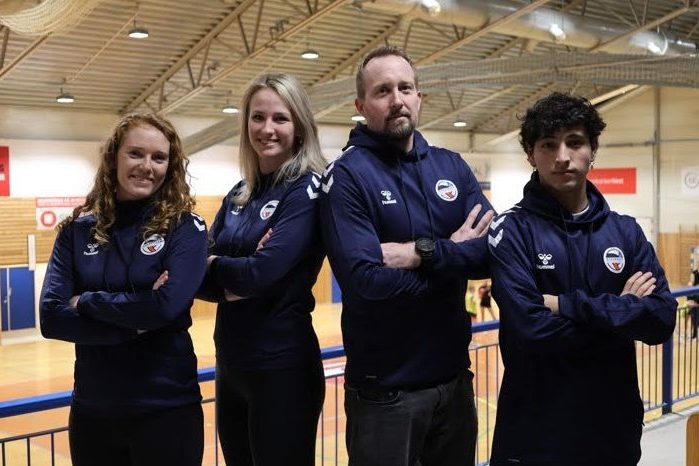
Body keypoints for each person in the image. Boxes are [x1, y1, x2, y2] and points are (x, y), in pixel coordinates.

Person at [319, 45, 494, 466]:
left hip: (454, 382)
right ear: (362, 105)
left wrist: (423, 252)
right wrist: (455, 257)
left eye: (405, 88)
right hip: (387, 394)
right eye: (382, 91)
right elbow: (366, 281)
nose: (396, 99)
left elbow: (491, 254)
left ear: (419, 97)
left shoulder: (451, 166)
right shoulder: (346, 176)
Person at [487, 92, 677, 466]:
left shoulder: (626, 232)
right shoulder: (510, 231)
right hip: (535, 438)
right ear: (530, 154)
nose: (562, 156)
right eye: (548, 145)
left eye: (574, 142)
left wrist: (566, 306)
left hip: (612, 434)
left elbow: (661, 321)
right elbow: (533, 333)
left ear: (593, 148)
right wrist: (623, 312)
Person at [40, 113, 208, 466]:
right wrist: (135, 323)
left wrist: (85, 301)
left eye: (158, 157)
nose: (146, 166)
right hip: (93, 410)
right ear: (114, 156)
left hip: (167, 408)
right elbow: (52, 317)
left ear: (170, 165)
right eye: (135, 154)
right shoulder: (76, 231)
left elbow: (165, 307)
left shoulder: (185, 228)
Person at [199, 73, 326, 466]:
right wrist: (235, 273)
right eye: (257, 117)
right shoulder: (240, 193)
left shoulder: (306, 190)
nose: (267, 129)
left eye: (280, 118)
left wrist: (216, 265)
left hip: (282, 369)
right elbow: (194, 277)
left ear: (299, 126)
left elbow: (259, 275)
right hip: (232, 365)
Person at [687, 268, 699, 339]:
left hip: (696, 303)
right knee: (692, 317)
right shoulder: (695, 273)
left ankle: (695, 335)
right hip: (693, 302)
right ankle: (694, 334)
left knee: (695, 319)